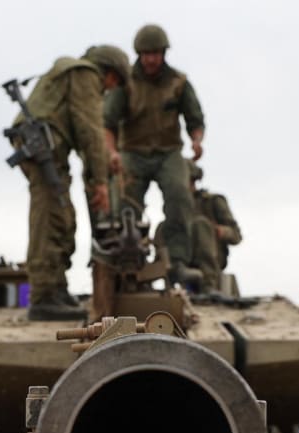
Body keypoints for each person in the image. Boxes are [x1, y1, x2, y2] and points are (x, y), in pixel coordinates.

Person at [11, 45, 130, 321]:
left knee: (62, 215)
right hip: (42, 149)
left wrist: (103, 163)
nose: (110, 90)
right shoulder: (86, 75)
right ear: (110, 73)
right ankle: (43, 296)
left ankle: (55, 289)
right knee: (50, 217)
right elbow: (89, 130)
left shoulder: (73, 73)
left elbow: (81, 133)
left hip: (46, 148)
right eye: (114, 83)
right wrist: (100, 182)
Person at [103, 24, 205, 287]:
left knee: (179, 196)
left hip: (168, 152)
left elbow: (195, 118)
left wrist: (196, 141)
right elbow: (107, 123)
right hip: (132, 152)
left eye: (156, 53)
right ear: (139, 54)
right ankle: (127, 265)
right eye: (146, 54)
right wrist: (112, 152)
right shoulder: (125, 83)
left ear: (164, 53)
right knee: (124, 204)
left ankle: (178, 262)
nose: (151, 59)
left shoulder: (178, 82)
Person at [186, 159, 242, 292]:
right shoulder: (175, 207)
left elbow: (236, 235)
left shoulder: (211, 201)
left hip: (212, 262)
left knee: (200, 225)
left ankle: (208, 284)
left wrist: (218, 230)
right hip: (184, 263)